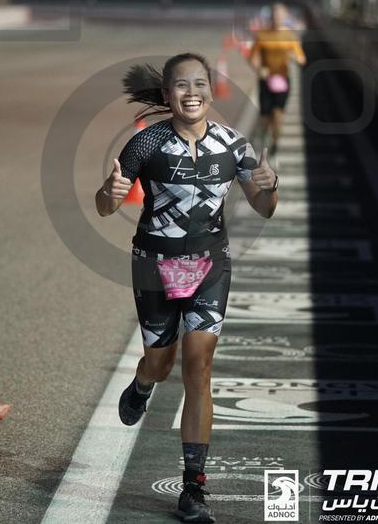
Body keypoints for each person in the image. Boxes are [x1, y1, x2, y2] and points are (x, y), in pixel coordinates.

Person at [95, 53, 278, 523]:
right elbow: (104, 205)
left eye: (200, 84)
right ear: (167, 94)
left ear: (211, 90)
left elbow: (264, 206)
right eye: (181, 85)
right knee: (160, 365)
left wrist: (270, 185)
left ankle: (194, 487)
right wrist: (109, 194)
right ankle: (142, 383)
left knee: (199, 368)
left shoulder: (233, 145)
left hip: (209, 267)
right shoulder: (146, 142)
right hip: (154, 266)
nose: (191, 93)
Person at [248, 3, 306, 158]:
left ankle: (275, 143)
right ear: (271, 17)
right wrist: (259, 69)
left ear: (285, 17)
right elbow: (252, 58)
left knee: (278, 116)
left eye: (280, 16)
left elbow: (302, 58)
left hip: (283, 80)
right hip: (266, 80)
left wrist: (295, 58)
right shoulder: (262, 35)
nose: (277, 18)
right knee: (265, 117)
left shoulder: (290, 36)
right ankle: (263, 134)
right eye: (275, 16)